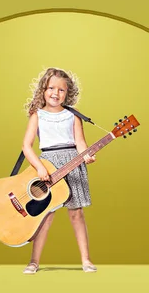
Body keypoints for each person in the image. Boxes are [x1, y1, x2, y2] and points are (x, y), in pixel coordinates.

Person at [20, 67, 97, 274]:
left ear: (68, 93)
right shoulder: (37, 116)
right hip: (48, 166)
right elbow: (27, 146)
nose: (55, 93)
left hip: (73, 162)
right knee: (46, 216)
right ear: (43, 90)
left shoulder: (73, 116)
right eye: (51, 88)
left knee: (77, 213)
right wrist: (39, 167)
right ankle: (34, 261)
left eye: (61, 90)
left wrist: (87, 155)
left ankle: (86, 260)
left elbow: (80, 143)